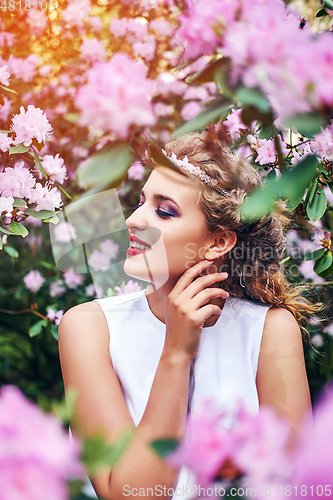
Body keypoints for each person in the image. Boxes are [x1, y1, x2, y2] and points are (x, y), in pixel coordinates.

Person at [58, 132, 316, 500]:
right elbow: (128, 495)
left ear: (218, 242)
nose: (133, 219)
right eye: (141, 202)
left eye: (164, 211)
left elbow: (296, 486)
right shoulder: (89, 328)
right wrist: (176, 353)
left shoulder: (270, 330)